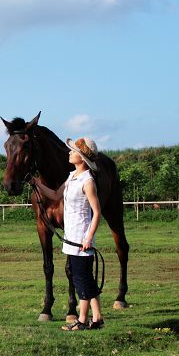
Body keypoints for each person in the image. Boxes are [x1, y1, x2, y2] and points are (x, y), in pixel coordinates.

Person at [29, 136, 104, 330]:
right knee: (86, 278)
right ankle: (97, 319)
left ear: (81, 157)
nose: (69, 153)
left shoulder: (88, 181)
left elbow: (97, 212)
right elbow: (55, 195)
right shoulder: (72, 176)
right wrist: (37, 182)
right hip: (71, 236)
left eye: (73, 151)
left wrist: (88, 238)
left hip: (81, 238)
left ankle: (81, 320)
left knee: (80, 280)